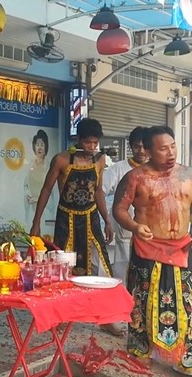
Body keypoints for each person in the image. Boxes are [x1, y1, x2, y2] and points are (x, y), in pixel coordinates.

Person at [112, 125, 192, 377]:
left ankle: (186, 359)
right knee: (143, 303)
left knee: (187, 304)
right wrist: (135, 225)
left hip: (182, 248)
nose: (170, 152)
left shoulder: (188, 175)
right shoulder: (136, 177)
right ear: (149, 151)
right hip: (147, 248)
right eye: (163, 148)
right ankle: (142, 353)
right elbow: (119, 209)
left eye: (173, 146)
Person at [30, 118, 120, 336]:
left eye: (95, 143)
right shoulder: (61, 159)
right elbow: (46, 189)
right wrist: (36, 222)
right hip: (66, 220)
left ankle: (105, 319)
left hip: (91, 219)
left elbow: (98, 191)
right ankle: (60, 315)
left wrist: (107, 219)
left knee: (104, 268)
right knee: (61, 269)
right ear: (78, 140)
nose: (92, 147)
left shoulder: (100, 160)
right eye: (88, 142)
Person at [101, 126, 149, 280]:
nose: (141, 151)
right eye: (137, 146)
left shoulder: (156, 169)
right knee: (124, 269)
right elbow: (100, 191)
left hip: (150, 229)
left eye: (144, 146)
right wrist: (106, 220)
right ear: (130, 147)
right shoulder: (119, 168)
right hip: (125, 229)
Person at [24, 129, 51, 230]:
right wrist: (28, 196)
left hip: (45, 210)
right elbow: (25, 185)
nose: (39, 148)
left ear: (46, 147)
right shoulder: (29, 165)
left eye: (42, 145)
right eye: (37, 144)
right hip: (31, 208)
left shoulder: (50, 166)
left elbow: (51, 190)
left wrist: (38, 199)